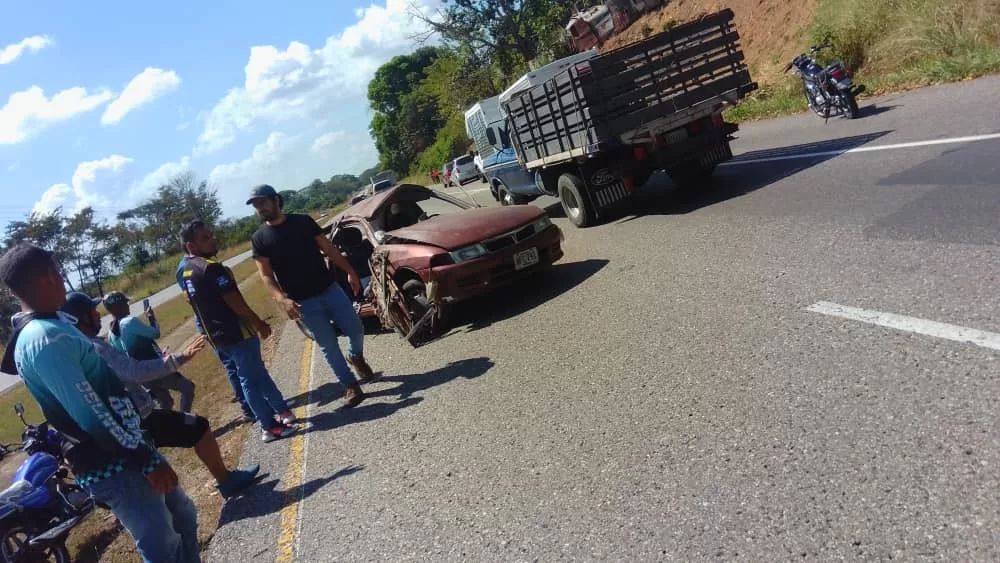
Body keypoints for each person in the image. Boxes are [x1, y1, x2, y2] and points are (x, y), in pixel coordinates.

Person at [0, 243, 200, 563]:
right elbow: (90, 414)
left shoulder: (52, 324)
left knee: (183, 519)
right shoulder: (47, 338)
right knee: (163, 545)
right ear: (50, 278)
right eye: (59, 273)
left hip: (130, 447)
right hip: (117, 463)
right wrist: (146, 460)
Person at [59, 291, 261, 498]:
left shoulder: (80, 347)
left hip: (128, 421)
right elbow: (134, 370)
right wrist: (179, 358)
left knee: (166, 476)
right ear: (77, 318)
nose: (98, 315)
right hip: (136, 421)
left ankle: (214, 487)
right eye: (92, 311)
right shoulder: (94, 347)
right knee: (199, 427)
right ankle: (226, 481)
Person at [246, 184, 379, 409]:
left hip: (329, 288)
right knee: (328, 345)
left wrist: (350, 272)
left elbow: (329, 249)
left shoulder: (302, 221)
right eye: (256, 205)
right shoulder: (259, 239)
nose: (260, 208)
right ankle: (350, 385)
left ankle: (355, 356)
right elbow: (266, 276)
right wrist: (282, 299)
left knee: (355, 328)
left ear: (276, 200)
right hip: (302, 302)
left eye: (262, 202)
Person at [177, 221, 297, 443]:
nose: (213, 239)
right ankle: (268, 427)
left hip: (218, 336)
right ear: (192, 246)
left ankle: (282, 411)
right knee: (249, 380)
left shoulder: (186, 270)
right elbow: (236, 303)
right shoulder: (210, 268)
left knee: (257, 374)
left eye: (211, 234)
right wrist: (259, 323)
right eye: (205, 237)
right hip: (236, 332)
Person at [176, 255, 253, 422]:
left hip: (216, 317)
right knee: (232, 364)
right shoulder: (186, 267)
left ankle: (253, 403)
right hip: (210, 320)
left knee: (238, 363)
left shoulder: (201, 262)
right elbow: (188, 297)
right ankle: (248, 408)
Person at [105, 291, 196, 413]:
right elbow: (155, 333)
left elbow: (125, 355)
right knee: (187, 387)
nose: (128, 305)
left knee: (166, 402)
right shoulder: (129, 321)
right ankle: (187, 423)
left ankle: (172, 430)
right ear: (119, 306)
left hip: (141, 375)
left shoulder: (111, 333)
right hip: (154, 368)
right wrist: (151, 317)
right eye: (125, 303)